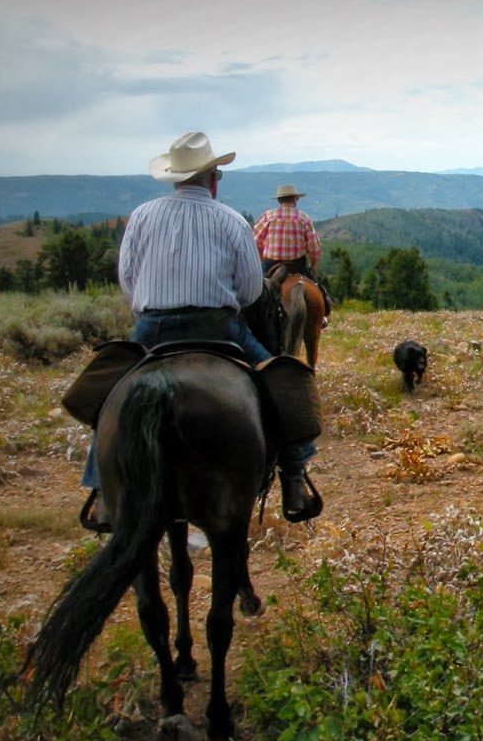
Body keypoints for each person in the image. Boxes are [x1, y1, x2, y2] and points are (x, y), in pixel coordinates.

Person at [78, 131, 319, 529]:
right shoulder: (230, 220)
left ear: (174, 177)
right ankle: (294, 479)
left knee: (108, 398)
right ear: (213, 177)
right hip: (219, 327)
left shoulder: (141, 215)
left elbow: (128, 281)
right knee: (282, 380)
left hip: (152, 327)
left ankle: (102, 490)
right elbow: (249, 290)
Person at [253, 183, 332, 316]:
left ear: (279, 200)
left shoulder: (268, 216)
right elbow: (314, 248)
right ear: (295, 199)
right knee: (316, 288)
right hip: (297, 263)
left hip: (271, 262)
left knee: (254, 291)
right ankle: (324, 314)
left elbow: (255, 242)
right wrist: (313, 265)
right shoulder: (304, 218)